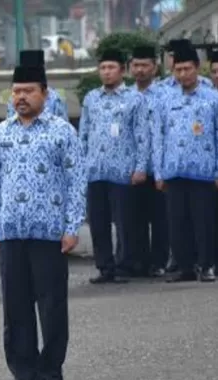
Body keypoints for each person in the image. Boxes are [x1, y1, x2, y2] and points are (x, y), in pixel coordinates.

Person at [0, 64, 86, 380]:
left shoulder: (61, 131)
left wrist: (72, 227)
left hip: (49, 231)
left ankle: (51, 369)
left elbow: (76, 179)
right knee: (16, 305)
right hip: (11, 230)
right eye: (16, 91)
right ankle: (23, 370)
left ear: (44, 92)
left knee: (51, 303)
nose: (21, 97)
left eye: (28, 91)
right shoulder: (0, 133)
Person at [79, 48, 149, 283]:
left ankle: (124, 265)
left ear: (122, 71)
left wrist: (141, 167)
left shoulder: (135, 99)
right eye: (103, 68)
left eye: (111, 68)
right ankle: (104, 266)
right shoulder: (91, 98)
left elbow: (141, 135)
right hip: (95, 170)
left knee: (124, 222)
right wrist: (81, 165)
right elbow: (84, 134)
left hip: (123, 170)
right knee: (98, 222)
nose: (107, 73)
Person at [155, 44, 218, 282]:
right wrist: (159, 171)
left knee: (203, 220)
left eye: (187, 69)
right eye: (178, 70)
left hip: (203, 170)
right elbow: (158, 136)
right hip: (174, 170)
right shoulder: (165, 99)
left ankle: (206, 265)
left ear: (197, 68)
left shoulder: (212, 98)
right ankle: (185, 267)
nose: (182, 74)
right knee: (177, 221)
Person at [129, 45, 169, 277]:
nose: (140, 70)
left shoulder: (164, 95)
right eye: (136, 65)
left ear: (155, 67)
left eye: (145, 65)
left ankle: (160, 261)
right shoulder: (126, 96)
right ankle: (139, 261)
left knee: (160, 218)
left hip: (158, 166)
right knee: (136, 217)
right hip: (133, 167)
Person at [6, 50, 68, 120]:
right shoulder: (13, 99)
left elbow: (63, 122)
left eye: (29, 91)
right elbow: (10, 120)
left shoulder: (55, 99)